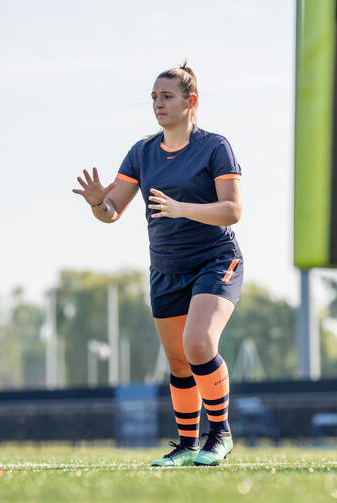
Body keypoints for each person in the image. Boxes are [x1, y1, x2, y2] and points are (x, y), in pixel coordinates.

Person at [72, 61, 243, 467]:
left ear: (191, 101)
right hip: (166, 269)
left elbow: (233, 210)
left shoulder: (214, 147)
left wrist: (182, 208)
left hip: (215, 260)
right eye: (154, 97)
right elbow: (112, 212)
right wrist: (98, 200)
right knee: (180, 362)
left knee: (198, 343)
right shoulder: (142, 152)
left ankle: (219, 435)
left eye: (167, 96)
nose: (158, 104)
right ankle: (186, 445)